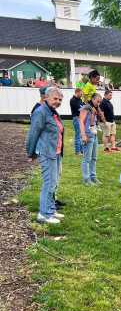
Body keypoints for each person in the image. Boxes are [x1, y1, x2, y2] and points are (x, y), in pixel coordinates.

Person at [26, 87, 65, 224]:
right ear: (46, 97)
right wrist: (30, 153)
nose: (58, 101)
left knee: (53, 184)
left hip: (56, 152)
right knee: (49, 183)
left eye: (60, 100)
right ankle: (43, 214)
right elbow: (33, 133)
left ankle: (51, 209)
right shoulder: (41, 112)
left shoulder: (52, 112)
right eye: (55, 98)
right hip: (47, 153)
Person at [79, 93, 102, 186]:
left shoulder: (94, 109)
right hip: (88, 135)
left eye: (100, 102)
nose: (98, 103)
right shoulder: (86, 108)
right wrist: (83, 135)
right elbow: (81, 121)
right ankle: (86, 179)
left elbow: (94, 123)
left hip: (94, 135)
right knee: (87, 159)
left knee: (94, 158)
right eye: (97, 101)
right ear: (92, 99)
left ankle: (93, 177)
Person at [69, 88, 84, 155]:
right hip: (76, 118)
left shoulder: (80, 100)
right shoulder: (73, 100)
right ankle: (77, 151)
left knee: (81, 135)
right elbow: (80, 109)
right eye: (81, 93)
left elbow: (83, 107)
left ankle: (81, 150)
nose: (82, 94)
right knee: (78, 135)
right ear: (77, 92)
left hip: (81, 118)